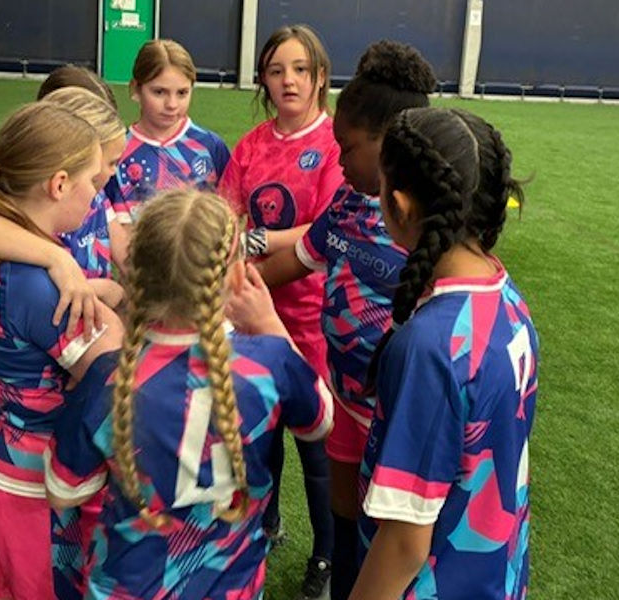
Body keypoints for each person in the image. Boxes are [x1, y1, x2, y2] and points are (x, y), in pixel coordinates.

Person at [44, 189, 334, 600]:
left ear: (136, 275)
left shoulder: (107, 380)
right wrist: (270, 323)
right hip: (234, 586)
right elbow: (321, 419)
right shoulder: (270, 363)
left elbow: (64, 490)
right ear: (235, 275)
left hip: (128, 586)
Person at [249, 40, 437, 600]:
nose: (337, 160)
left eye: (346, 148)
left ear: (390, 146)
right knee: (347, 518)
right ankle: (336, 567)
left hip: (394, 415)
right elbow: (298, 257)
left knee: (392, 533)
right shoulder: (349, 204)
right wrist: (235, 288)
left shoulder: (421, 227)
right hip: (345, 403)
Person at [348, 107, 539, 600]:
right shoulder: (507, 295)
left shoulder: (430, 347)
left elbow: (405, 543)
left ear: (399, 204)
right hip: (494, 572)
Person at [0, 102, 123, 600]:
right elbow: (115, 368)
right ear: (59, 184)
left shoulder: (5, 250)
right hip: (30, 490)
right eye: (92, 178)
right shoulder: (43, 288)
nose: (98, 190)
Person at [218, 24, 340, 598]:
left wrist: (259, 241)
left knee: (317, 442)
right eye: (275, 70)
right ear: (264, 81)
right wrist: (244, 242)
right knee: (260, 431)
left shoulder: (337, 144)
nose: (288, 80)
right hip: (248, 310)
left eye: (299, 69)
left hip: (313, 319)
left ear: (319, 77)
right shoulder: (249, 146)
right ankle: (266, 522)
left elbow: (326, 230)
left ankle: (326, 554)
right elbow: (225, 219)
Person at [0, 85, 129, 437]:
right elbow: (112, 369)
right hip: (29, 439)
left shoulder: (82, 202)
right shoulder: (29, 264)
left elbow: (126, 261)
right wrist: (57, 258)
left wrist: (109, 290)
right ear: (62, 176)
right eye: (110, 163)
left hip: (13, 408)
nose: (113, 176)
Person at [106, 39, 231, 224]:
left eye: (182, 93)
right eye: (159, 92)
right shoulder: (117, 151)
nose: (172, 104)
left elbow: (231, 214)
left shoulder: (211, 146)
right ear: (135, 89)